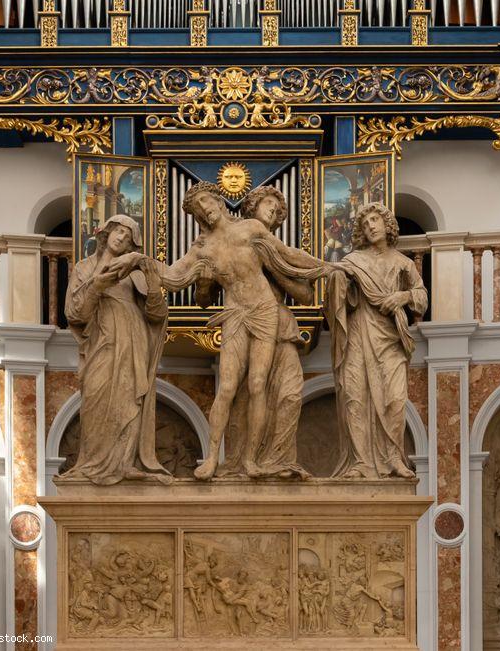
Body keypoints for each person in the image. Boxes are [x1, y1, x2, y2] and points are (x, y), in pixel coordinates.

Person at [109, 182, 334, 480]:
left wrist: (328, 267)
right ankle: (213, 458)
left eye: (206, 201)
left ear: (218, 200)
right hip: (234, 314)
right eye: (197, 208)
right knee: (226, 388)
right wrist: (139, 260)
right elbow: (173, 277)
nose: (205, 209)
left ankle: (252, 461)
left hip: (265, 311)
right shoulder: (203, 248)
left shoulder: (250, 228)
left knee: (257, 384)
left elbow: (288, 254)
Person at [62, 215, 171, 485]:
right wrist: (97, 286)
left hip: (133, 341)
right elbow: (75, 314)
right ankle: (92, 463)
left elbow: (157, 315)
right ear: (106, 233)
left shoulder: (134, 274)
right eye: (118, 231)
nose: (121, 237)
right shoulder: (84, 268)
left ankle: (125, 463)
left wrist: (150, 276)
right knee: (95, 396)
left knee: (130, 397)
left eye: (127, 236)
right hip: (101, 341)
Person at [213, 186, 312, 479]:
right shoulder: (233, 243)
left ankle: (277, 460)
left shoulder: (280, 250)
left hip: (280, 325)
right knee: (245, 395)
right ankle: (244, 461)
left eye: (277, 208)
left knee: (290, 395)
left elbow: (305, 295)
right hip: (243, 324)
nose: (272, 210)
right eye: (267, 204)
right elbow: (207, 293)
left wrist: (276, 268)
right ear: (251, 207)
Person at [325, 203, 428, 479]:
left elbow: (421, 298)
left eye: (375, 220)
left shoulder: (404, 263)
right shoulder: (352, 262)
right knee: (355, 397)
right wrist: (340, 283)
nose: (370, 225)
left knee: (395, 400)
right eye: (366, 222)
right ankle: (361, 462)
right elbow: (338, 299)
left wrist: (403, 297)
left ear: (387, 225)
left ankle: (393, 457)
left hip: (390, 337)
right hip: (358, 331)